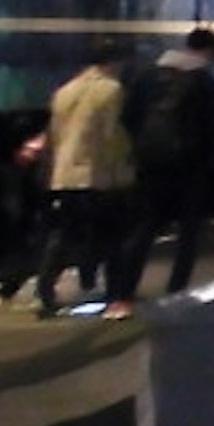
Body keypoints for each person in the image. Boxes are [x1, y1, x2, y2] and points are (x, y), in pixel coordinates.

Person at [125, 26, 214, 298]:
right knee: (189, 232)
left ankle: (124, 291)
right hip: (191, 167)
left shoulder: (147, 76)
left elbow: (128, 116)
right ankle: (176, 290)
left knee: (146, 225)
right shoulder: (204, 82)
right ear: (209, 52)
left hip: (152, 163)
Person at [31, 49, 143, 315]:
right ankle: (115, 297)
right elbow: (112, 135)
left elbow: (55, 135)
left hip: (65, 175)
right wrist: (124, 169)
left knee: (65, 234)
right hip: (97, 174)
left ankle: (44, 290)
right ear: (114, 62)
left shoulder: (64, 91)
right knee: (112, 237)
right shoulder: (111, 90)